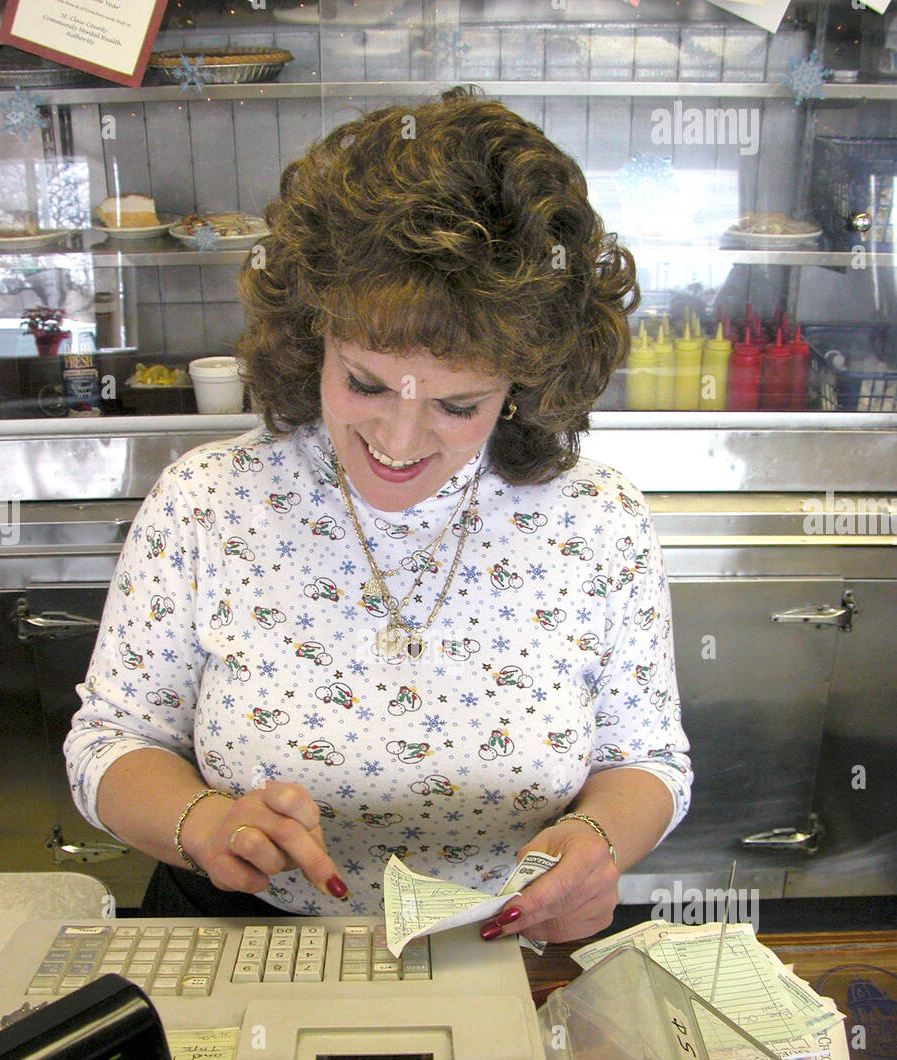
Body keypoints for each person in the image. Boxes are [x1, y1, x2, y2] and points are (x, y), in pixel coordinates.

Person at [65, 88, 692, 945]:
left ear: (522, 388)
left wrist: (597, 840)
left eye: (458, 404)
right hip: (246, 937)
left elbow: (647, 759)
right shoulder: (208, 501)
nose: (399, 439)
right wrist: (204, 825)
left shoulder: (597, 518)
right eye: (363, 384)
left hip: (498, 944)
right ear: (310, 336)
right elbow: (110, 740)